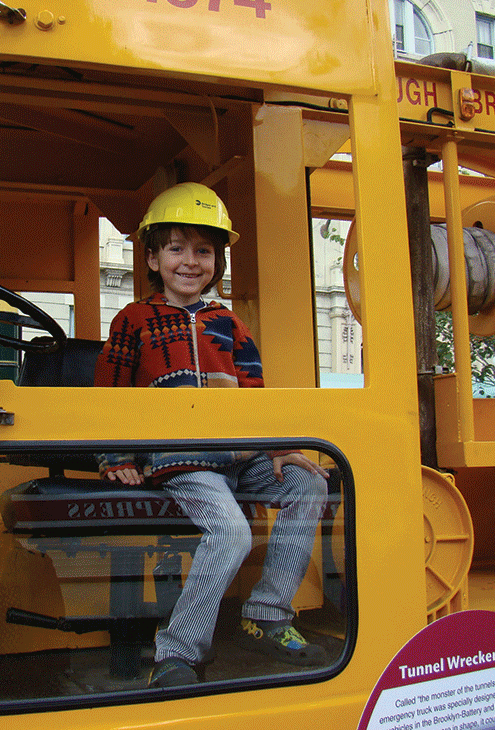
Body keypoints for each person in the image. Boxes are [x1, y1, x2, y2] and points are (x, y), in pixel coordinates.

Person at [94, 182, 330, 688]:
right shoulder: (134, 320)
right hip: (185, 460)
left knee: (308, 484)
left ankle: (267, 613)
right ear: (153, 258)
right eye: (176, 248)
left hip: (238, 456)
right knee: (232, 531)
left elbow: (255, 391)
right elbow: (107, 395)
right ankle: (176, 652)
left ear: (216, 261)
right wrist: (116, 455)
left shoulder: (229, 324)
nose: (190, 261)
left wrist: (278, 449)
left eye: (203, 250)